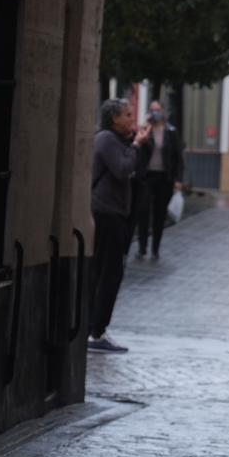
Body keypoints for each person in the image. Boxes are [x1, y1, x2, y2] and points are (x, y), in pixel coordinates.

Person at [88, 98, 150, 353]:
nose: (131, 119)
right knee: (110, 272)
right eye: (126, 115)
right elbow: (123, 169)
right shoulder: (105, 139)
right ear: (114, 118)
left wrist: (138, 143)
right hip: (106, 213)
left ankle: (95, 329)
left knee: (107, 272)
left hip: (114, 213)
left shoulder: (117, 140)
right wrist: (135, 145)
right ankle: (96, 332)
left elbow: (138, 167)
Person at [133, 100, 186, 260]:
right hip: (147, 177)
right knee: (143, 212)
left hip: (164, 178)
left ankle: (155, 248)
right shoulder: (145, 130)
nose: (155, 112)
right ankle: (142, 247)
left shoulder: (171, 131)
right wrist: (145, 126)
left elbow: (178, 157)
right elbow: (137, 147)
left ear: (163, 112)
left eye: (158, 110)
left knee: (159, 213)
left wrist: (178, 179)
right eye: (152, 110)